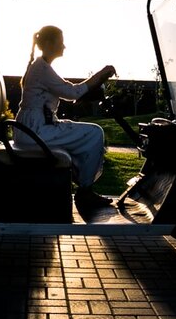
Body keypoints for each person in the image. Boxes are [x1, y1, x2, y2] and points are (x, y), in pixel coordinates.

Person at [18, 25, 116, 219]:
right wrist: (101, 74)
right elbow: (72, 93)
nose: (64, 46)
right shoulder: (41, 69)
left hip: (33, 128)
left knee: (82, 132)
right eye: (61, 41)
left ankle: (83, 185)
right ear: (48, 43)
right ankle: (85, 191)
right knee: (94, 132)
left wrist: (94, 82)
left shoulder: (40, 67)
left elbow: (69, 91)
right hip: (36, 131)